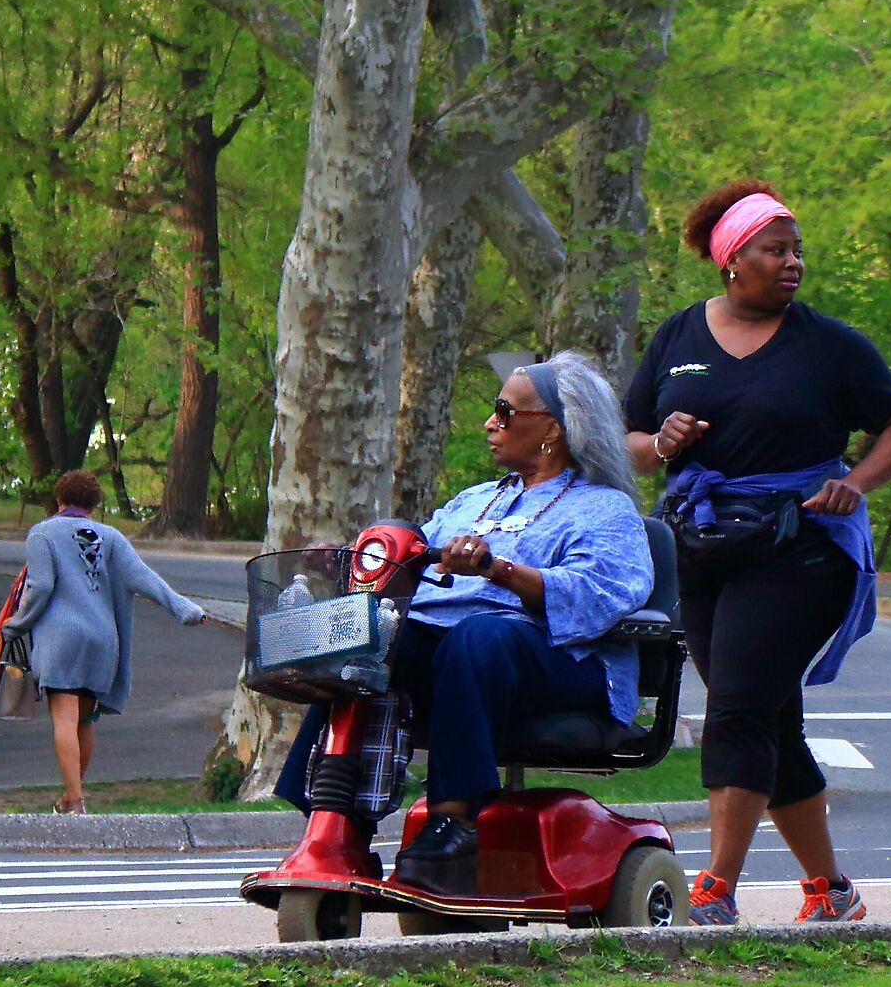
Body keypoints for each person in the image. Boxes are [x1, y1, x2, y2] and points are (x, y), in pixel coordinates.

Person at [623, 181, 891, 927]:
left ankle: (714, 892)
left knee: (737, 709)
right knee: (769, 722)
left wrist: (853, 483)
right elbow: (630, 445)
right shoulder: (678, 338)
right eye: (775, 249)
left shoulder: (829, 344)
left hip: (800, 547)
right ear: (731, 260)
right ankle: (831, 890)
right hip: (704, 545)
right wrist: (661, 443)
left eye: (796, 250)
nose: (792, 263)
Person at [272, 353, 655, 895]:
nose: (490, 423)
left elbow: (605, 594)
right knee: (364, 635)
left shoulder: (604, 509)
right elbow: (408, 566)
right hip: (459, 659)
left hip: (563, 661)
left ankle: (456, 821)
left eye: (505, 411)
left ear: (552, 427)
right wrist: (349, 560)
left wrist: (498, 569)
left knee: (478, 634)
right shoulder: (474, 500)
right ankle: (333, 818)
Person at [3, 469, 208, 813]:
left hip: (61, 637)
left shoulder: (43, 533)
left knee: (64, 720)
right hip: (102, 639)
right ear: (94, 505)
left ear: (59, 499)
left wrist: (16, 625)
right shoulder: (111, 537)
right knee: (84, 720)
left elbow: (40, 587)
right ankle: (70, 798)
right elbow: (144, 577)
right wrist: (187, 609)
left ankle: (77, 800)